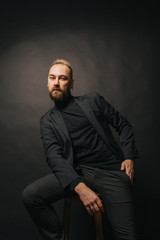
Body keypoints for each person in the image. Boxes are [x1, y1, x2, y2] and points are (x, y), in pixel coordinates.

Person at [22, 59, 139, 240]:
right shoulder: (47, 121)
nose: (56, 83)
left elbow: (122, 124)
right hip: (77, 173)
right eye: (52, 78)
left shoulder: (93, 101)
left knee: (128, 237)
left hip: (111, 172)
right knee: (31, 196)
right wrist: (79, 186)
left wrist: (129, 156)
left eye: (62, 78)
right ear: (47, 82)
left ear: (71, 83)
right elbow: (54, 157)